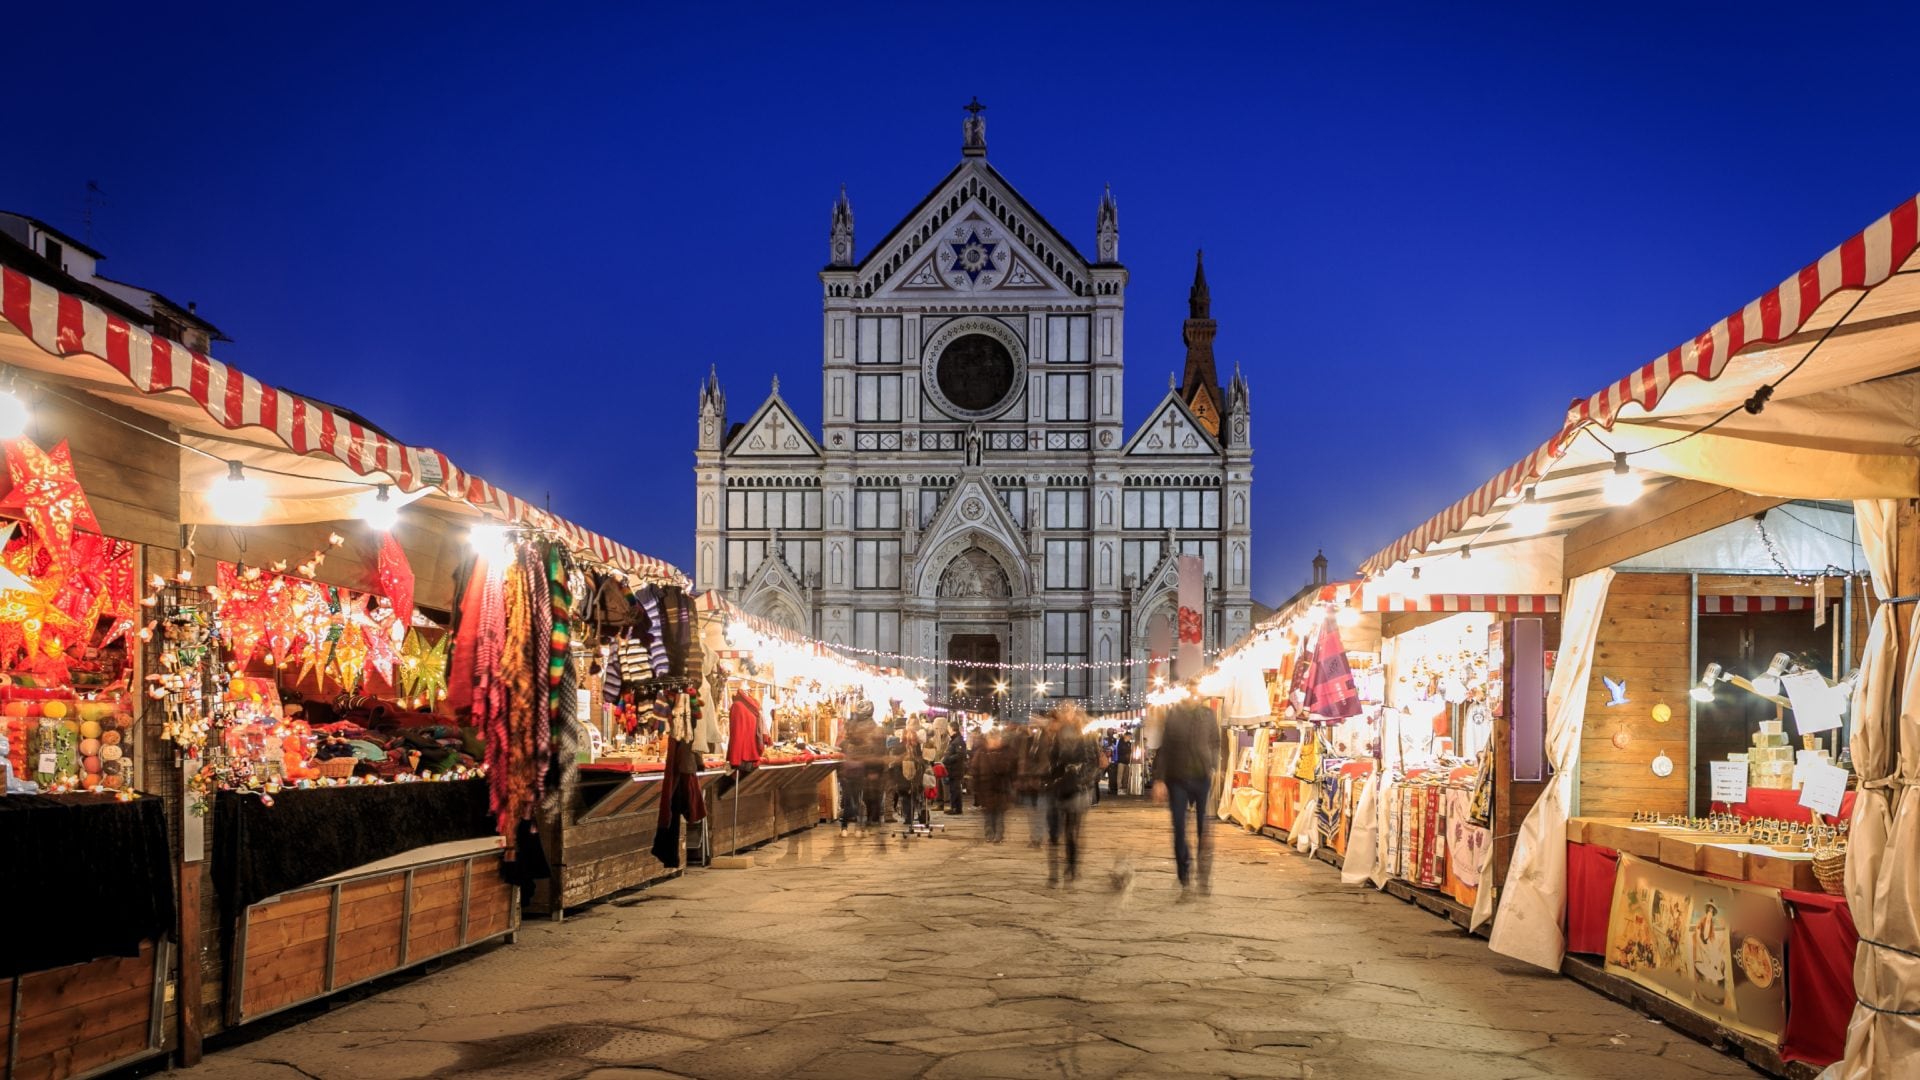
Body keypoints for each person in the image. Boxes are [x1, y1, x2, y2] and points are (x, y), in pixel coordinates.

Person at [1156, 680, 1220, 898]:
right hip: (1178, 779)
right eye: (1191, 691)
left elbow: (1216, 742)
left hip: (1202, 778)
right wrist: (1159, 780)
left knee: (1204, 830)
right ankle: (1184, 875)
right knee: (1180, 829)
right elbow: (1164, 748)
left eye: (1196, 691)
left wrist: (1213, 763)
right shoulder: (1175, 715)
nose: (1194, 695)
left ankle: (1203, 875)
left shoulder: (1208, 715)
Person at [1044, 705, 1097, 887]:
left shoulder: (1086, 733)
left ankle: (1071, 868)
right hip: (1059, 786)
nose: (1065, 715)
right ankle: (1054, 873)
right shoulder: (1057, 734)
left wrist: (1081, 780)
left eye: (1068, 711)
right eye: (1062, 712)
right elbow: (1052, 759)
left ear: (1073, 714)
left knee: (1071, 831)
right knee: (1053, 832)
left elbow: (1093, 761)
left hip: (1077, 788)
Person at [973, 728, 1016, 841]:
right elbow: (974, 770)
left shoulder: (1005, 752)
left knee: (999, 814)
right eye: (992, 738)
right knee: (988, 814)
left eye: (997, 738)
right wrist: (975, 788)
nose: (995, 741)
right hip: (985, 788)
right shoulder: (980, 752)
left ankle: (999, 834)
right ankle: (989, 833)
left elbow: (1007, 768)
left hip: (1000, 788)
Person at [942, 727, 969, 814]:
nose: (948, 730)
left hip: (956, 769)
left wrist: (948, 759)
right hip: (953, 769)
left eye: (949, 728)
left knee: (955, 789)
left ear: (953, 729)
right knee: (953, 789)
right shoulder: (955, 740)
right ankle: (954, 807)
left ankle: (956, 808)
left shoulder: (958, 741)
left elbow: (960, 754)